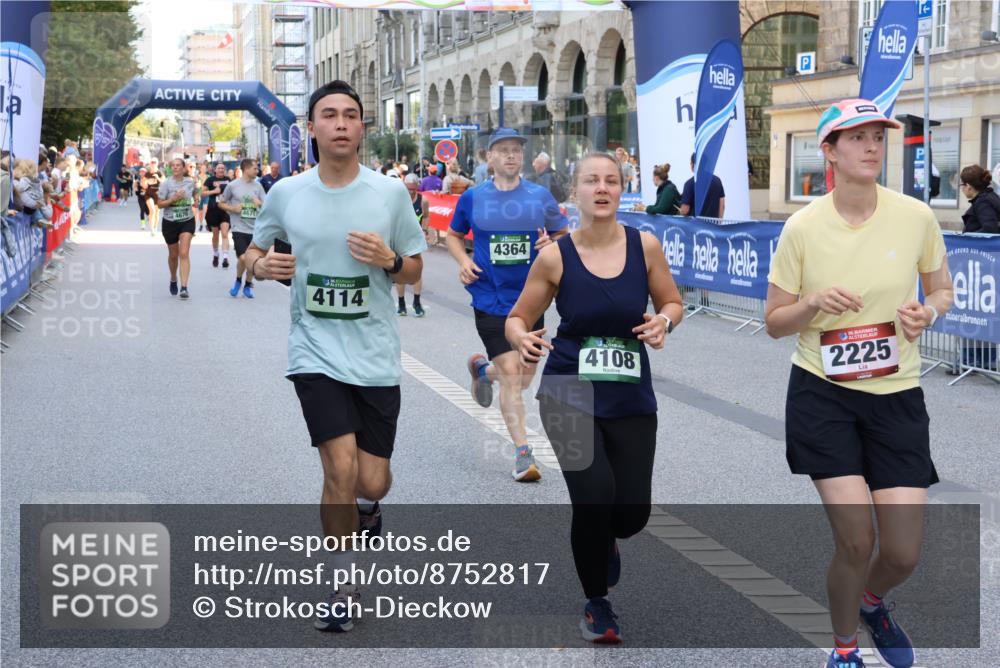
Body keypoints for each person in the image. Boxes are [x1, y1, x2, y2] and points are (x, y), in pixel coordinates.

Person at [764, 99, 954, 668]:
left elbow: (940, 290)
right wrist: (813, 304)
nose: (872, 146)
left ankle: (873, 603)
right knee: (856, 541)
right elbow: (775, 322)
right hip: (823, 393)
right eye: (857, 137)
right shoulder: (802, 227)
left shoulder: (914, 216)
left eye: (878, 136)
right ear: (830, 152)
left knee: (901, 553)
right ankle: (844, 649)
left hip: (896, 394)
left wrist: (930, 313)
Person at [243, 80, 426, 633]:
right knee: (338, 467)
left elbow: (417, 269)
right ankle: (342, 584)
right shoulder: (286, 193)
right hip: (314, 350)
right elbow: (252, 248)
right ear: (312, 128)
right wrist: (258, 266)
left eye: (351, 115)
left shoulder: (389, 195)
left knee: (372, 481)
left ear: (362, 128)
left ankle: (370, 510)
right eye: (330, 115)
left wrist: (391, 261)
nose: (341, 123)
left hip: (373, 353)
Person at [507, 152, 683, 643]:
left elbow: (672, 301)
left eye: (611, 180)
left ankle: (607, 539)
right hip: (567, 390)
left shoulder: (644, 246)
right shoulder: (554, 256)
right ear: (575, 193)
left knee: (630, 514)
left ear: (622, 190)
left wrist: (664, 320)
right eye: (591, 180)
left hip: (629, 396)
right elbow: (518, 317)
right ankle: (597, 603)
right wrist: (521, 337)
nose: (602, 188)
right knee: (592, 499)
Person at [446, 127, 568, 482]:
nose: (511, 155)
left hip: (531, 300)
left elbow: (561, 234)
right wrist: (463, 261)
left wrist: (551, 246)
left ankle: (483, 372)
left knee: (523, 378)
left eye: (516, 150)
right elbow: (454, 234)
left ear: (524, 159)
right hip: (489, 298)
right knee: (514, 378)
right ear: (491, 158)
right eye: (503, 150)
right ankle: (522, 454)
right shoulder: (473, 198)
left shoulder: (540, 197)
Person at [217, 158, 266, 298]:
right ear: (246, 169)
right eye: (255, 168)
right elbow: (221, 203)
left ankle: (247, 285)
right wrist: (233, 208)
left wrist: (260, 203)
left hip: (255, 229)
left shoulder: (258, 187)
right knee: (244, 258)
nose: (257, 171)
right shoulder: (232, 186)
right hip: (239, 228)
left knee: (252, 259)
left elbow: (268, 207)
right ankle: (238, 280)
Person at [155, 158, 198, 299]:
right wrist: (173, 199)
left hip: (187, 220)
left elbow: (196, 191)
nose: (175, 167)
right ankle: (173, 278)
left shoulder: (190, 182)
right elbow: (160, 205)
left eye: (178, 165)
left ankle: (184, 287)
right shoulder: (165, 184)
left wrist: (196, 200)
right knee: (173, 255)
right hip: (170, 222)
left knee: (184, 253)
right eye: (173, 165)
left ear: (184, 167)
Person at [397, 174, 428, 317]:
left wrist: (426, 230)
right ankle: (401, 303)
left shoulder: (423, 200)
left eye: (413, 189)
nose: (410, 192)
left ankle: (416, 302)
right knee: (399, 271)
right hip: (400, 238)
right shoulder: (398, 199)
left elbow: (426, 216)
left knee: (417, 271)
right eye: (408, 188)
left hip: (415, 240)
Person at [202, 163, 233, 268]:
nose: (221, 170)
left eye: (223, 168)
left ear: (224, 170)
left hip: (225, 210)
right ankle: (216, 254)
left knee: (225, 234)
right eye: (219, 168)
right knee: (215, 235)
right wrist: (214, 191)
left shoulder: (229, 180)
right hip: (213, 210)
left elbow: (233, 192)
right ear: (215, 170)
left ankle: (225, 257)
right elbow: (203, 193)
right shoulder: (210, 180)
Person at [679, 152, 725, 218]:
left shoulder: (689, 183)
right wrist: (719, 223)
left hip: (696, 226)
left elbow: (685, 210)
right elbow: (722, 205)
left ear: (692, 165)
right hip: (713, 225)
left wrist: (681, 211)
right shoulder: (717, 180)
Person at [959, 164, 1000, 234]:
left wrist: (967, 238)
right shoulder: (989, 196)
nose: (961, 188)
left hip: (980, 245)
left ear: (968, 186)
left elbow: (990, 230)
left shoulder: (983, 202)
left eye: (962, 185)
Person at [144, 159, 164, 237]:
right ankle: (152, 230)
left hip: (158, 194)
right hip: (149, 194)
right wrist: (144, 184)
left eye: (154, 162)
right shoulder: (147, 174)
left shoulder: (160, 173)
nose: (153, 164)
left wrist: (158, 178)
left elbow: (164, 182)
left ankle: (155, 227)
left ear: (157, 163)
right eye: (152, 162)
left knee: (157, 213)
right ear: (150, 163)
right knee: (152, 210)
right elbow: (144, 184)